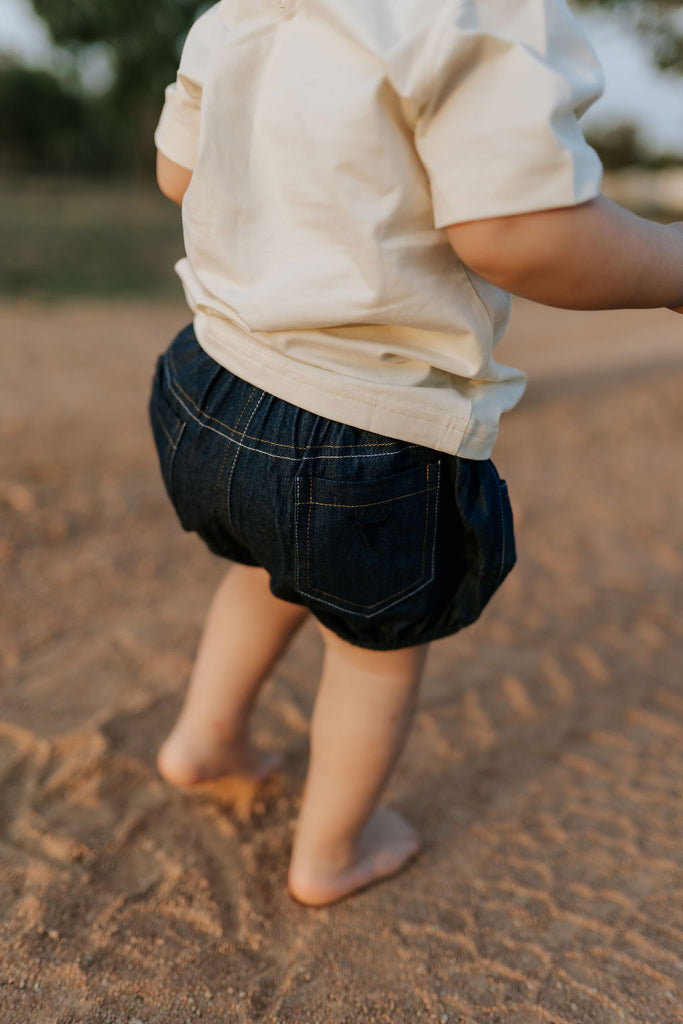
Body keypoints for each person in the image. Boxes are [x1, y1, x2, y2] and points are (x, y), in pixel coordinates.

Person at [150, 0, 683, 907]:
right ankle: (332, 854)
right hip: (364, 430)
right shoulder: (481, 12)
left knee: (261, 563)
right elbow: (520, 231)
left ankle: (206, 741)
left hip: (207, 382)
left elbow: (177, 174)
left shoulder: (243, 8)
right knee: (375, 650)